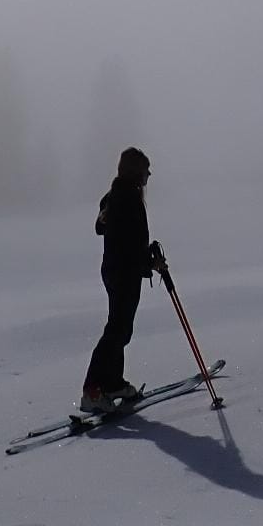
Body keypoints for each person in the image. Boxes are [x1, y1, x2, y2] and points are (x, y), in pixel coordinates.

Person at [80, 146, 167, 413]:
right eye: (145, 170)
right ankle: (93, 390)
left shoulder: (115, 195)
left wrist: (146, 258)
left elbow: (105, 228)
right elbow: (127, 242)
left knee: (121, 328)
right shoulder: (126, 197)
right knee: (117, 329)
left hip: (117, 270)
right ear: (135, 172)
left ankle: (112, 383)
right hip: (123, 272)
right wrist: (148, 261)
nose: (148, 175)